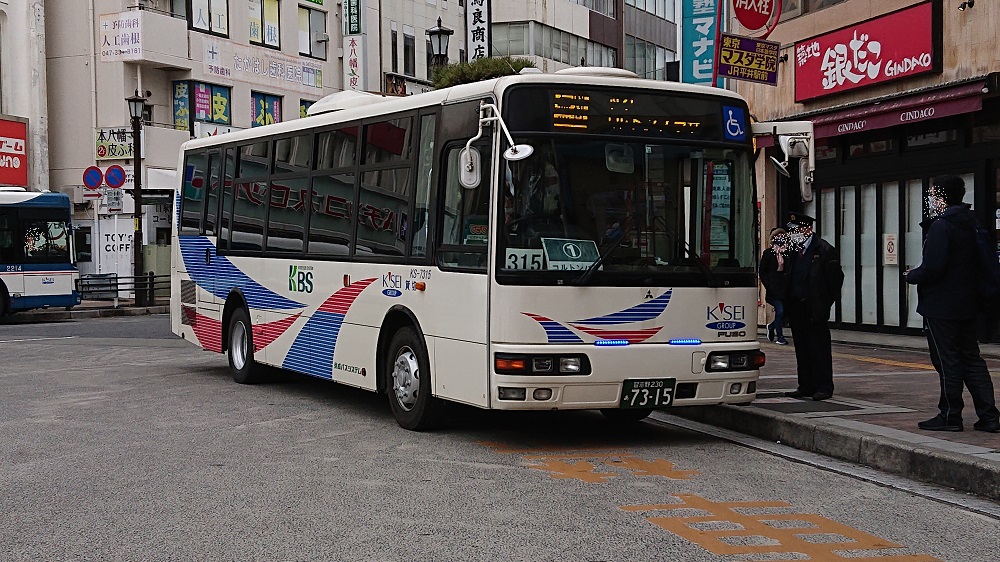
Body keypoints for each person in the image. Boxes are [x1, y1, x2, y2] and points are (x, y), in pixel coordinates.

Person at [904, 175, 1000, 433]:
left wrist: (912, 275)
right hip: (969, 304)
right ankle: (989, 416)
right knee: (972, 358)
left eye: (933, 194)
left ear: (942, 197)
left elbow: (933, 267)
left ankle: (950, 414)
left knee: (948, 360)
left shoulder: (942, 226)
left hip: (941, 305)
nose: (931, 199)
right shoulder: (972, 223)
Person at [783, 213, 844, 401]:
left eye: (796, 230)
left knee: (819, 348)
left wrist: (824, 302)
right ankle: (805, 385)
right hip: (796, 307)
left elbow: (835, 280)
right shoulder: (793, 250)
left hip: (814, 307)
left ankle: (824, 386)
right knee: (802, 348)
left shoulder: (824, 250)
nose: (793, 233)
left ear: (807, 229)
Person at [759, 227, 789, 345]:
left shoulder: (788, 253)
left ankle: (771, 326)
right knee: (780, 311)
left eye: (782, 237)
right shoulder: (768, 253)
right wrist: (768, 284)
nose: (780, 239)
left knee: (784, 312)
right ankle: (780, 336)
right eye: (778, 237)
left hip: (785, 288)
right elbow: (763, 271)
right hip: (774, 289)